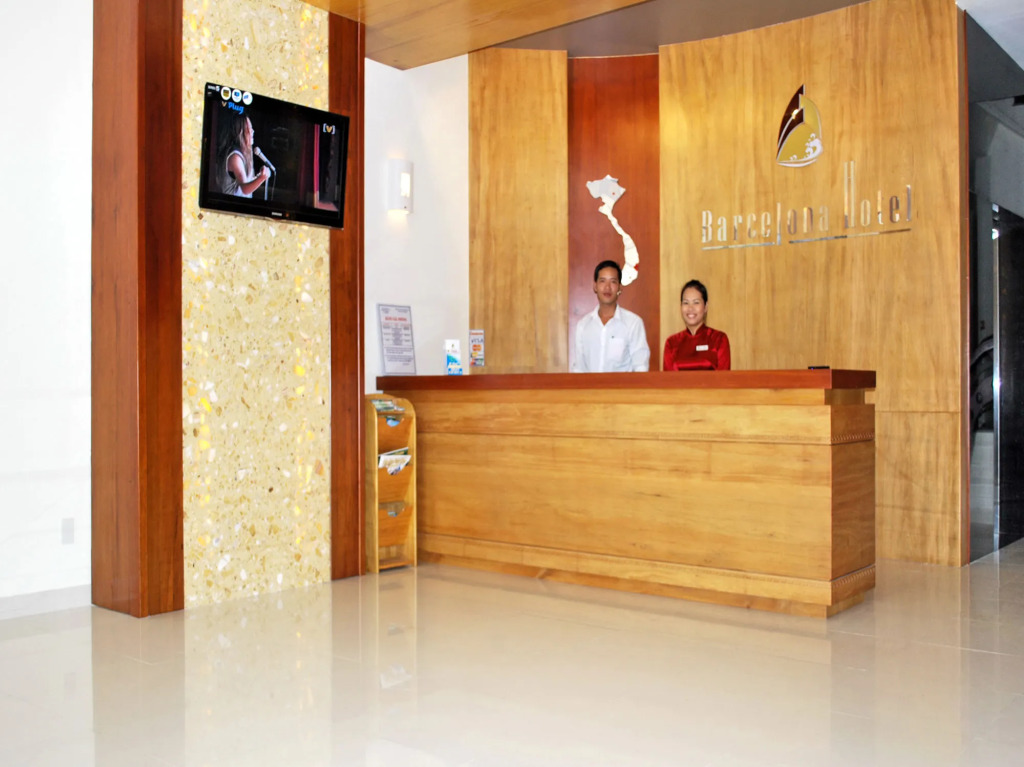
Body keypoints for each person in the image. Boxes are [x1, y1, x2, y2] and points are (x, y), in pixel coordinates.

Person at [572, 260, 650, 372]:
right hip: (590, 384)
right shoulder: (583, 325)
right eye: (602, 281)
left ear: (619, 287)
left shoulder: (633, 323)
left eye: (613, 282)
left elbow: (640, 367)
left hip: (622, 384)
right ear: (595, 286)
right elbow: (579, 369)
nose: (607, 287)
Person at [663, 279, 731, 370]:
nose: (690, 308)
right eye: (686, 303)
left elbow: (724, 377)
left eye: (696, 302)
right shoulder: (672, 343)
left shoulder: (719, 339)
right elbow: (668, 378)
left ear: (705, 307)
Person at [215, 114, 271, 198]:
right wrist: (262, 178)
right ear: (240, 132)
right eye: (249, 128)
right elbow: (245, 189)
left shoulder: (244, 153)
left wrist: (258, 176)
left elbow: (245, 182)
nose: (253, 131)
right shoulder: (235, 157)